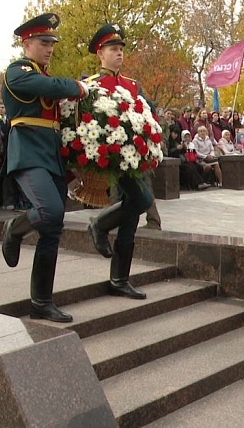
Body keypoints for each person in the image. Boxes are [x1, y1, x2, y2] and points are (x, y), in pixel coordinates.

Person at [0, 13, 89, 323]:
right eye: (43, 42)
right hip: (27, 151)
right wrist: (76, 85)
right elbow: (44, 86)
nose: (49, 48)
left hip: (49, 153)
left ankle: (41, 301)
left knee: (53, 226)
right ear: (27, 44)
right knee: (50, 211)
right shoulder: (18, 71)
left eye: (51, 43)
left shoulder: (48, 76)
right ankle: (15, 228)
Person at [84, 23, 155, 300]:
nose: (119, 53)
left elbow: (147, 114)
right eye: (113, 49)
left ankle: (120, 278)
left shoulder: (131, 85)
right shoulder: (92, 85)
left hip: (132, 157)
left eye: (121, 49)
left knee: (132, 216)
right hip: (109, 160)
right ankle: (99, 224)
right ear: (100, 53)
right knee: (141, 200)